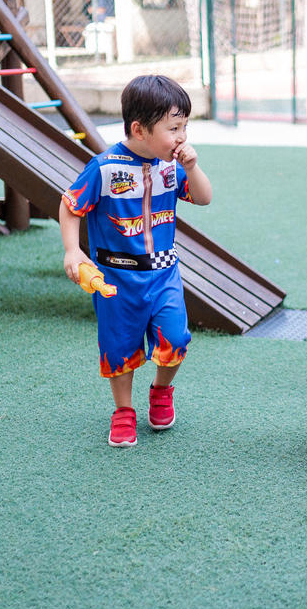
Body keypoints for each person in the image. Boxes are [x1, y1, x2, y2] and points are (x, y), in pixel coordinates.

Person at [59, 75, 213, 447]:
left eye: (185, 127)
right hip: (116, 279)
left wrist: (193, 168)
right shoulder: (104, 168)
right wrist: (73, 250)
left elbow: (204, 197)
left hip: (163, 274)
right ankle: (123, 410)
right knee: (119, 348)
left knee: (175, 338)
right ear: (139, 129)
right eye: (173, 128)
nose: (182, 137)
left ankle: (161, 391)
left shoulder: (171, 167)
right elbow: (70, 206)